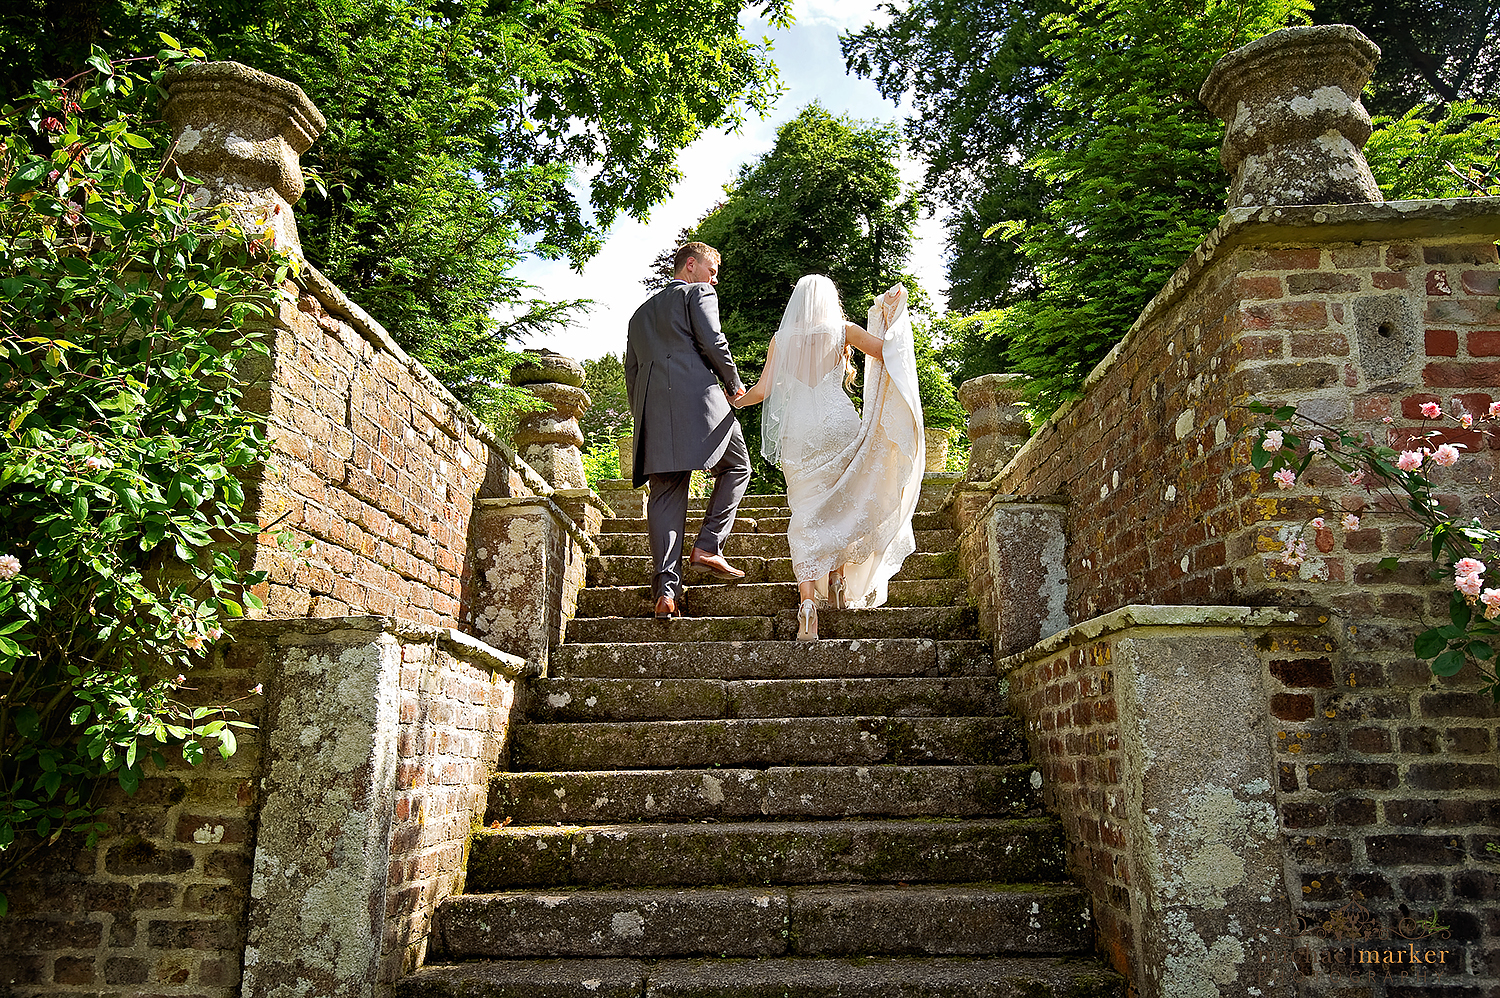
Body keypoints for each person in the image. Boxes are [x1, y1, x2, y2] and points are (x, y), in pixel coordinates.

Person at [732, 275, 924, 640]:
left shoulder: (781, 340)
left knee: (806, 514)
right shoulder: (843, 330)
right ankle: (836, 582)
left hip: (798, 434)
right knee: (839, 504)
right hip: (838, 424)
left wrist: (733, 399)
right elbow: (888, 352)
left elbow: (763, 390)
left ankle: (807, 604)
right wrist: (891, 313)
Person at [625, 242, 752, 619]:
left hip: (654, 410)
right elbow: (714, 341)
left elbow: (632, 371)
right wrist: (733, 385)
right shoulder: (699, 292)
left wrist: (644, 416)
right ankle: (709, 544)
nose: (714, 280)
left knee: (665, 493)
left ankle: (666, 591)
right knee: (737, 465)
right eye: (712, 271)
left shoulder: (639, 314)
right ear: (691, 265)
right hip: (700, 400)